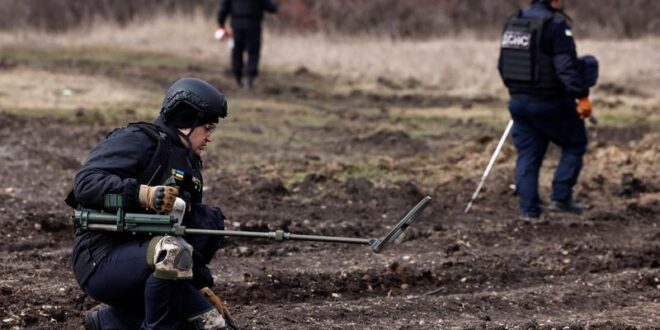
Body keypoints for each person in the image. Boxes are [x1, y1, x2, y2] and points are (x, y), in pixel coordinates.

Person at [66, 77, 232, 329]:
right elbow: (85, 184)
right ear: (187, 122)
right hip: (100, 258)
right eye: (208, 127)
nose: (210, 137)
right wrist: (143, 195)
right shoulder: (138, 140)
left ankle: (110, 322)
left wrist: (200, 285)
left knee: (212, 324)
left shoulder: (189, 164)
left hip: (152, 262)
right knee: (171, 252)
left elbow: (183, 232)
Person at [497, 0, 597, 221]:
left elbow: (502, 64)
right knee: (575, 143)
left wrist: (519, 92)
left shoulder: (514, 22)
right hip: (550, 101)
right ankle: (561, 198)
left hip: (517, 102)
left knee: (528, 155)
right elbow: (566, 67)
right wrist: (581, 96)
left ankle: (529, 211)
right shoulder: (556, 25)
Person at [217, 0, 278, 88]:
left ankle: (237, 76)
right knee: (253, 52)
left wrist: (221, 22)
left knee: (237, 51)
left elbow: (224, 7)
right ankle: (250, 78)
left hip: (237, 25)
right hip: (253, 25)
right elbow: (271, 8)